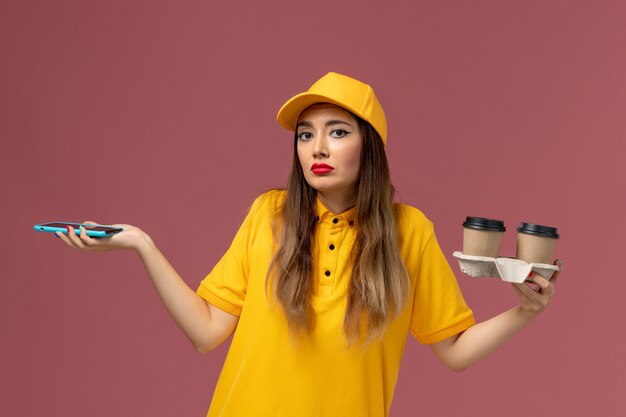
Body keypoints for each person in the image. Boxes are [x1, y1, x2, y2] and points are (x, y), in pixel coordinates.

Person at [55, 72, 562, 417]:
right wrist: (141, 244)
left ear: (370, 146)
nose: (317, 147)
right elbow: (208, 331)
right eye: (305, 135)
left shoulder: (410, 232)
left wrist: (527, 313)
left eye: (337, 132)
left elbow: (452, 349)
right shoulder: (268, 216)